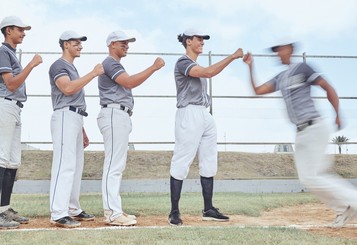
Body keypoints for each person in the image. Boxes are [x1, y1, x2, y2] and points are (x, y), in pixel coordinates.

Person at [243, 39, 357, 227]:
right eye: (276, 51)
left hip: (315, 127)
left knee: (312, 176)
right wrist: (251, 66)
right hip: (300, 132)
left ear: (290, 50)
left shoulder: (303, 69)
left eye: (280, 49)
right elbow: (257, 90)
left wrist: (337, 114)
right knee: (309, 178)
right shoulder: (280, 78)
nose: (278, 53)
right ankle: (345, 210)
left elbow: (328, 87)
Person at [168, 28, 244, 226]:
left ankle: (208, 209)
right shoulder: (183, 62)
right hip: (189, 113)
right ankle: (174, 212)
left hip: (204, 113)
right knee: (182, 161)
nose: (202, 42)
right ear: (188, 41)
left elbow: (205, 72)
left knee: (209, 161)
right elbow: (209, 72)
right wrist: (233, 56)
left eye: (203, 39)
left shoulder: (195, 63)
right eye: (199, 39)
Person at [98, 30, 165, 226]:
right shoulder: (109, 62)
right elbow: (129, 82)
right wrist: (153, 67)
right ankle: (112, 213)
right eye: (122, 42)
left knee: (117, 165)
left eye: (128, 43)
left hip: (119, 114)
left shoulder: (116, 64)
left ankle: (115, 210)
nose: (126, 45)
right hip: (113, 113)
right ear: (111, 44)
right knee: (113, 165)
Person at [0, 16, 43, 229]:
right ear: (8, 30)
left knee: (12, 161)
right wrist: (31, 65)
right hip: (5, 104)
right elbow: (10, 83)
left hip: (14, 108)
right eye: (20, 29)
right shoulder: (3, 52)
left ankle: (5, 209)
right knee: (1, 157)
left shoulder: (10, 54)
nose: (23, 33)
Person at [48, 31, 104, 228]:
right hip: (64, 115)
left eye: (80, 43)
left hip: (75, 117)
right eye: (76, 43)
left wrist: (82, 129)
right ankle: (58, 212)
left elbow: (75, 96)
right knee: (64, 164)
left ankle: (72, 208)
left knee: (76, 166)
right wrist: (93, 73)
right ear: (65, 45)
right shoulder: (59, 65)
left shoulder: (71, 67)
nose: (80, 46)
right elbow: (67, 89)